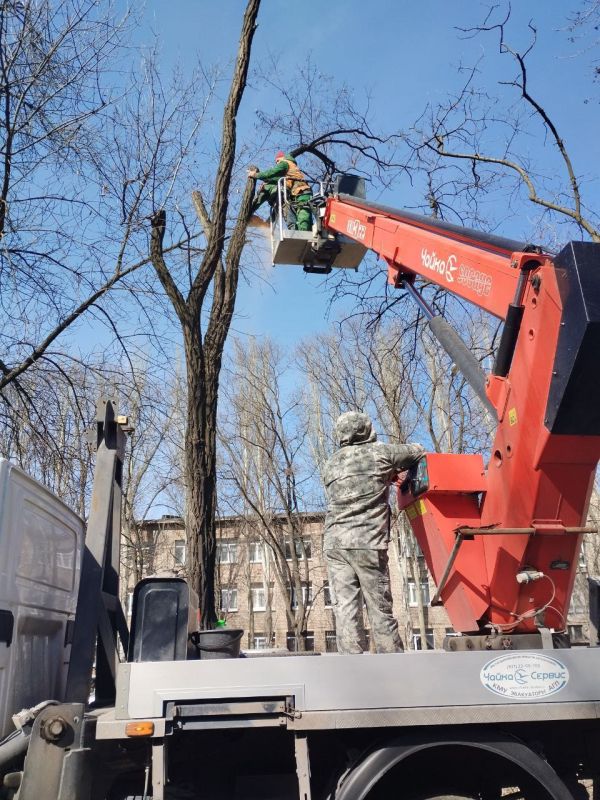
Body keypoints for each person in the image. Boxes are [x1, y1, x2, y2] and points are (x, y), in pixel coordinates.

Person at [323, 411, 425, 654]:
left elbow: (352, 487)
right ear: (365, 430)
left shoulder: (331, 463)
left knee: (345, 611)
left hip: (335, 543)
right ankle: (392, 669)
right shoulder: (379, 453)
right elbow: (418, 451)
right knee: (379, 609)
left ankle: (352, 672)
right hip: (367, 543)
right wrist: (392, 473)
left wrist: (384, 475)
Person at [248, 151, 313, 231]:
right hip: (296, 193)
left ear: (283, 158)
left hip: (301, 190)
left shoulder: (284, 163)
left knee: (302, 214)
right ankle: (295, 230)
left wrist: (256, 175)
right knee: (289, 209)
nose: (277, 163)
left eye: (278, 161)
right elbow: (274, 177)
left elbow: (271, 173)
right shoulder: (288, 171)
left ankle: (298, 232)